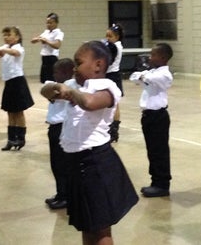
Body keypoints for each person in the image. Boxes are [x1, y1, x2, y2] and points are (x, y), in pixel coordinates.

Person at [40, 40, 138, 245]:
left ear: (98, 65)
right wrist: (57, 87)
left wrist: (71, 92)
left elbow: (91, 103)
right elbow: (46, 92)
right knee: (87, 224)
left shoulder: (107, 86)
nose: (74, 68)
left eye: (79, 62)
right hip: (76, 162)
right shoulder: (75, 84)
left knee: (101, 228)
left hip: (96, 162)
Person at [129, 43, 174, 198]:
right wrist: (143, 76)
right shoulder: (153, 72)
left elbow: (147, 78)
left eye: (153, 54)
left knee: (159, 151)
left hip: (158, 117)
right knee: (151, 150)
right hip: (148, 115)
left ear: (162, 57)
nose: (150, 57)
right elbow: (133, 77)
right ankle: (155, 181)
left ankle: (162, 184)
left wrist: (143, 76)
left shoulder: (165, 74)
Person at [0, 26, 34, 151]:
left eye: (9, 35)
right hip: (8, 82)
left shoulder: (18, 48)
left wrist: (0, 49)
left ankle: (20, 138)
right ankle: (11, 139)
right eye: (4, 35)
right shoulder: (4, 48)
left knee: (19, 112)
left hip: (18, 81)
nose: (6, 37)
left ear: (17, 37)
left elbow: (15, 53)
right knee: (10, 111)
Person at [43, 58, 75, 210]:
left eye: (58, 72)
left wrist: (56, 89)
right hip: (54, 127)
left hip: (62, 127)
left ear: (68, 73)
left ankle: (65, 196)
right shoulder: (56, 85)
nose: (54, 74)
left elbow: (54, 93)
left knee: (62, 164)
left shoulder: (70, 86)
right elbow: (46, 90)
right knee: (55, 163)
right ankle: (60, 193)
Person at [104, 23, 124, 142]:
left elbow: (109, 62)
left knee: (114, 104)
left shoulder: (115, 47)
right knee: (110, 104)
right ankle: (111, 129)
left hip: (112, 76)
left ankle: (114, 130)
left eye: (110, 36)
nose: (107, 38)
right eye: (106, 35)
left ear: (117, 37)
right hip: (110, 75)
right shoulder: (114, 45)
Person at [31, 12, 64, 83]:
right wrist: (38, 39)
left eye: (50, 23)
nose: (48, 25)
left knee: (52, 80)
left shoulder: (59, 33)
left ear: (56, 23)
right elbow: (32, 41)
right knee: (44, 80)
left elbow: (57, 45)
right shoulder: (46, 32)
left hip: (52, 58)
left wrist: (46, 41)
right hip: (44, 58)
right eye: (47, 23)